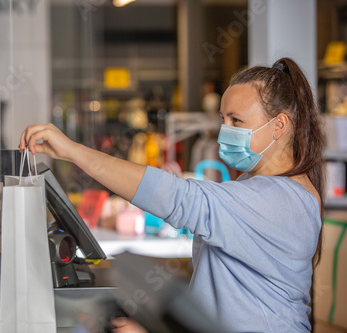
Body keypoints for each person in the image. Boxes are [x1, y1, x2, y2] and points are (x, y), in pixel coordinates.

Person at [19, 57, 325, 333]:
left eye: (236, 121)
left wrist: (74, 152)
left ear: (279, 126)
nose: (224, 131)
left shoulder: (281, 201)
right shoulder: (261, 187)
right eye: (223, 119)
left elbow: (177, 197)